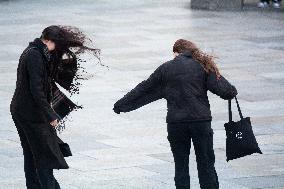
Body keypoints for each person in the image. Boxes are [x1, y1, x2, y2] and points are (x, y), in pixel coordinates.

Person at [113, 39, 238, 189]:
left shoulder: (165, 68)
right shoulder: (203, 66)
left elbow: (143, 88)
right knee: (206, 164)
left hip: (176, 124)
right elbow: (227, 91)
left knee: (181, 165)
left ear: (176, 52)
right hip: (200, 122)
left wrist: (120, 105)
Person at [10, 25, 99, 189]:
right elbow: (36, 91)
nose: (57, 49)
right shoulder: (34, 56)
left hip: (24, 110)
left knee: (31, 153)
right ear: (50, 41)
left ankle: (35, 186)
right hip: (29, 113)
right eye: (57, 44)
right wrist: (51, 115)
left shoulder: (36, 52)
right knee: (44, 153)